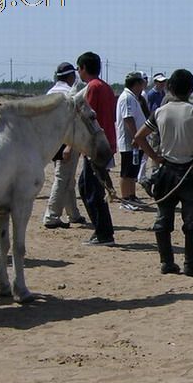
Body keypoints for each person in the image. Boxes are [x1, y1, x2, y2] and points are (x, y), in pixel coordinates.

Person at [134, 69, 193, 276]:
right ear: (191, 89)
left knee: (163, 219)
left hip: (167, 171)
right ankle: (191, 265)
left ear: (170, 88)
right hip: (191, 171)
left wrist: (155, 157)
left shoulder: (160, 111)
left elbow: (139, 137)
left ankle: (166, 262)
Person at [76, 52, 116, 246]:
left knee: (91, 189)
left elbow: (88, 119)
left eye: (79, 68)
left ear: (84, 68)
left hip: (96, 146)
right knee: (87, 187)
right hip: (105, 144)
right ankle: (102, 231)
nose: (78, 72)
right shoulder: (106, 87)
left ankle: (104, 233)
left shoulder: (93, 87)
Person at [43, 62, 86, 229]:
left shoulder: (50, 93)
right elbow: (73, 124)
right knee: (62, 177)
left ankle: (73, 213)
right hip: (67, 140)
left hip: (51, 141)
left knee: (67, 177)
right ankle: (52, 215)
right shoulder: (69, 94)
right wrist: (69, 146)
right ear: (70, 76)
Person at [116, 71, 148, 210]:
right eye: (142, 83)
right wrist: (136, 137)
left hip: (136, 142)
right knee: (127, 171)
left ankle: (132, 196)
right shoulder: (127, 98)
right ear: (136, 84)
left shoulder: (133, 97)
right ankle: (125, 199)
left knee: (133, 171)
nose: (143, 86)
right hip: (130, 141)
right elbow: (128, 118)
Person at [139, 73, 168, 195]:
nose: (162, 84)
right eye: (159, 82)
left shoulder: (163, 94)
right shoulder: (150, 95)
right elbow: (148, 111)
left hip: (162, 127)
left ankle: (155, 180)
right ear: (155, 82)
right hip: (154, 128)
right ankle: (153, 181)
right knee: (155, 154)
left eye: (163, 82)